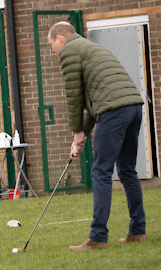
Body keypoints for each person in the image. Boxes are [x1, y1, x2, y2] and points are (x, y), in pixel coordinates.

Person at [47, 21, 147, 252]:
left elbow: (74, 97)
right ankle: (138, 231)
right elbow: (96, 100)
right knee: (127, 170)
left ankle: (98, 237)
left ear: (60, 39)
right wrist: (81, 136)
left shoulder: (69, 50)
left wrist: (77, 132)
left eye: (52, 46)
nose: (54, 52)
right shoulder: (91, 47)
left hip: (113, 111)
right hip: (132, 106)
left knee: (100, 171)